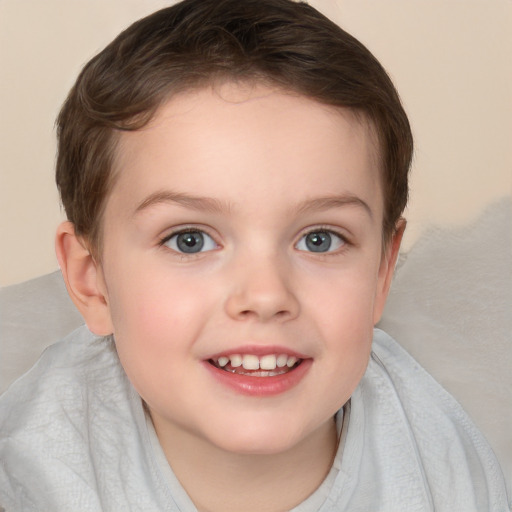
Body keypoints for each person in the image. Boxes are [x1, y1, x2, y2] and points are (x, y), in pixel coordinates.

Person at [0, 0, 508, 510]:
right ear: (92, 281)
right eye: (189, 239)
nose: (265, 296)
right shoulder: (30, 481)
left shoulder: (442, 467)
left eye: (320, 239)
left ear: (381, 272)